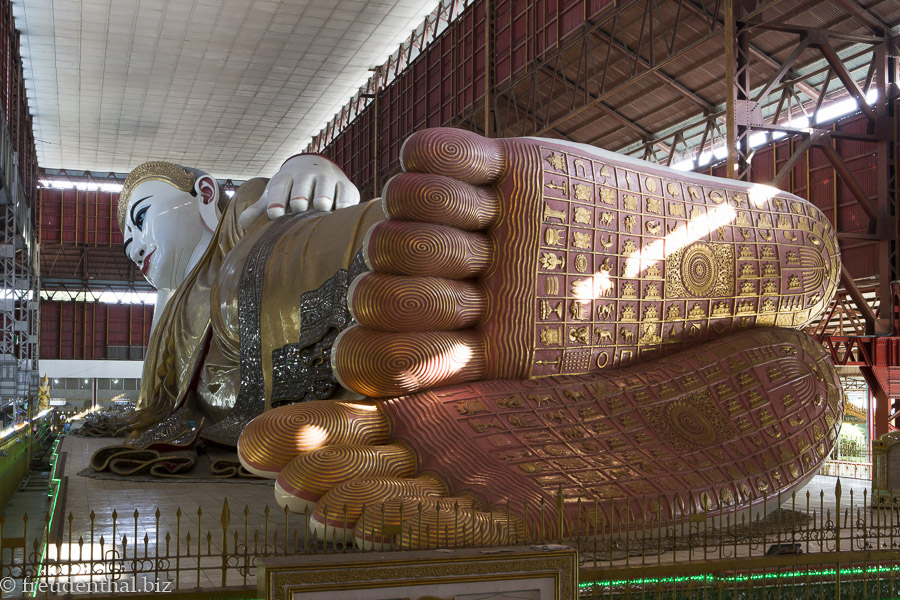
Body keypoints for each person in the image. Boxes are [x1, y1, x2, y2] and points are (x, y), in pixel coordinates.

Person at [119, 128, 843, 542]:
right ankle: (497, 376)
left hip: (296, 286)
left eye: (142, 218)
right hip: (332, 386)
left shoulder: (238, 220)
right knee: (370, 366)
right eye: (127, 246)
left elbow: (276, 201)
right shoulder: (170, 346)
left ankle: (468, 267)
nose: (134, 248)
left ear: (205, 193)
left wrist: (305, 169)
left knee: (313, 273)